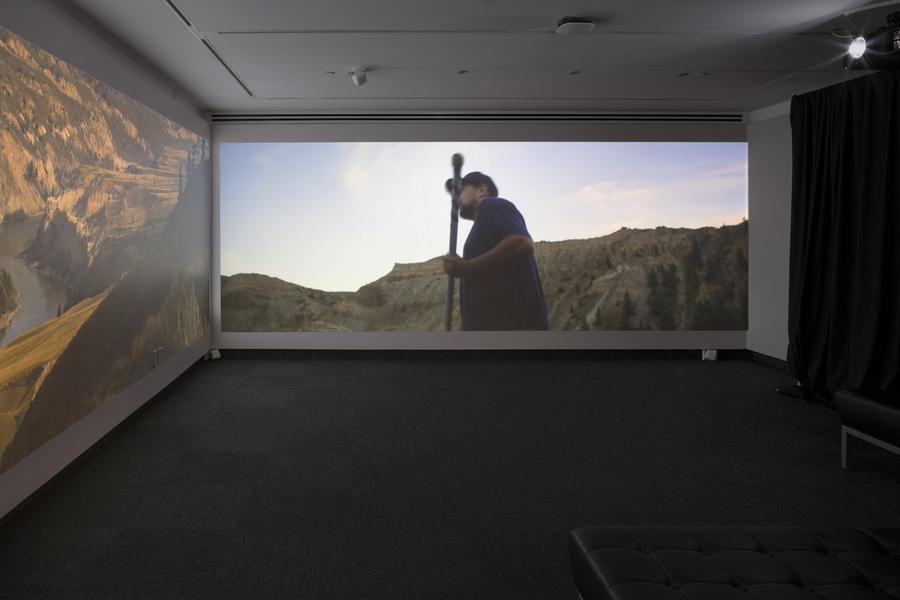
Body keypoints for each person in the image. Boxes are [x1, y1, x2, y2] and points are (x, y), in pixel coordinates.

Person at [442, 171, 549, 330]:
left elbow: (521, 243)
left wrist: (466, 267)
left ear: (481, 190)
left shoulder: (491, 205)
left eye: (461, 190)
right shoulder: (480, 226)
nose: (456, 198)